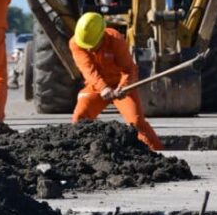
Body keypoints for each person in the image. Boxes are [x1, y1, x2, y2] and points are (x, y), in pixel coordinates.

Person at [68, 12, 163, 151]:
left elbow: (129, 69)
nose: (88, 48)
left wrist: (124, 87)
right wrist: (103, 87)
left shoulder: (115, 40)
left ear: (102, 35)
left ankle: (157, 151)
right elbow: (88, 70)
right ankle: (78, 151)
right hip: (95, 85)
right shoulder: (76, 43)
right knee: (80, 117)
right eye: (86, 45)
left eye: (92, 44)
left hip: (120, 85)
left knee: (136, 122)